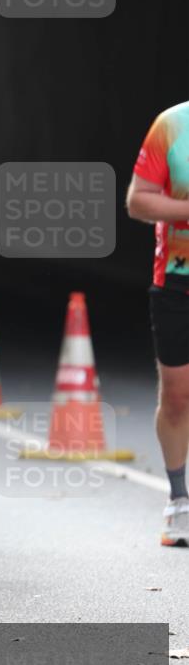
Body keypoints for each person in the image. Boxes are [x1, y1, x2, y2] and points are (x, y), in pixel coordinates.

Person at [126, 100, 189, 546]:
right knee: (178, 398)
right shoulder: (172, 125)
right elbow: (137, 200)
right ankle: (179, 499)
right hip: (177, 280)